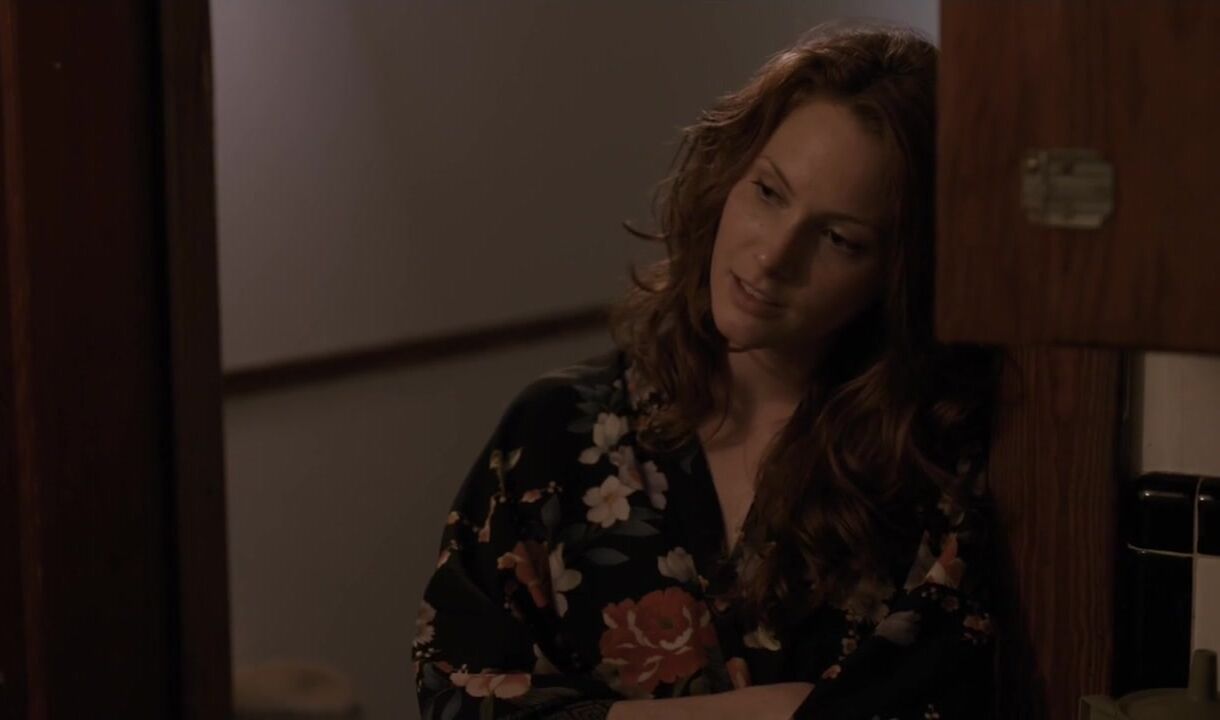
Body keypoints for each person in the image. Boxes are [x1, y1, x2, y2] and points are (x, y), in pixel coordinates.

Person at [412, 20, 1002, 720]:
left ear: (899, 272)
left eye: (839, 238)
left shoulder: (929, 462)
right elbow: (456, 695)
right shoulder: (556, 433)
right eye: (769, 193)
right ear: (729, 176)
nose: (773, 257)